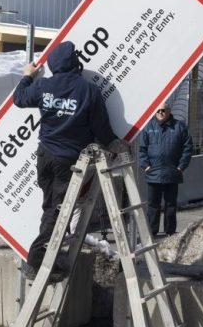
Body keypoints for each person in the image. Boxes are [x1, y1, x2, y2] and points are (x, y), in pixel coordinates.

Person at [13, 41, 123, 280]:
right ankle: (35, 261)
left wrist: (27, 76)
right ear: (75, 63)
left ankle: (45, 260)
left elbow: (19, 99)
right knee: (57, 210)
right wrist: (115, 144)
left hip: (45, 157)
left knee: (50, 207)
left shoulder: (43, 85)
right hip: (67, 160)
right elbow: (102, 129)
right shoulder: (88, 90)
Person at [138, 102, 192, 236]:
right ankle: (152, 231)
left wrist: (181, 167)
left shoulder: (179, 127)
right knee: (152, 204)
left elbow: (187, 148)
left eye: (163, 110)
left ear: (169, 111)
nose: (160, 113)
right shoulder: (149, 127)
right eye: (157, 111)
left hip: (172, 173)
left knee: (170, 204)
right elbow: (142, 150)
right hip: (153, 173)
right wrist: (146, 166)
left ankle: (170, 231)